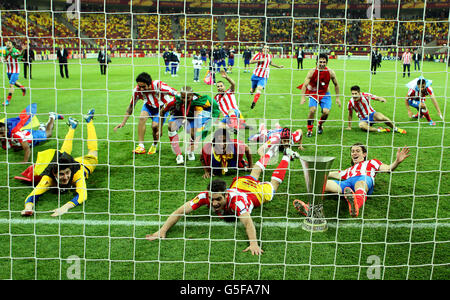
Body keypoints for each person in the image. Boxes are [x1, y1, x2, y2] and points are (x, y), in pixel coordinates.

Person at [146, 144, 300, 255]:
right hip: (240, 184)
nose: (214, 203)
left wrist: (253, 243)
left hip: (254, 194)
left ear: (226, 195)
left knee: (273, 186)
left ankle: (286, 155)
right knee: (255, 173)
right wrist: (162, 230)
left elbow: (248, 223)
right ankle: (272, 151)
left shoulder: (238, 204)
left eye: (218, 199)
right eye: (212, 199)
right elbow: (180, 211)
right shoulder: (205, 196)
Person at [294, 143, 410, 218]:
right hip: (346, 184)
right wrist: (317, 172)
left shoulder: (371, 162)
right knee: (324, 183)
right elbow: (333, 174)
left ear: (364, 154)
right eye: (352, 151)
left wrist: (397, 162)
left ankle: (355, 206)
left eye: (358, 151)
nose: (354, 153)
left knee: (360, 183)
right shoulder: (348, 170)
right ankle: (312, 209)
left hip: (364, 179)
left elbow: (388, 169)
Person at [20, 109, 97, 217]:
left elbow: (83, 195)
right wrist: (28, 208)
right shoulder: (48, 178)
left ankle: (88, 121)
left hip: (84, 164)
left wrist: (65, 207)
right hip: (65, 164)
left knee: (93, 153)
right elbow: (33, 194)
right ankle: (73, 126)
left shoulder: (77, 173)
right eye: (61, 174)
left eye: (67, 173)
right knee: (62, 154)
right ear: (54, 173)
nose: (65, 177)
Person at [114, 72, 178, 155]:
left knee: (155, 127)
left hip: (162, 108)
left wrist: (175, 106)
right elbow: (130, 106)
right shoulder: (137, 90)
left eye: (143, 87)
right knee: (141, 118)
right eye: (139, 86)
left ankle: (154, 145)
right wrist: (123, 122)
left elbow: (176, 93)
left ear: (150, 84)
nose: (141, 89)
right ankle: (141, 146)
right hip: (148, 106)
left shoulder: (159, 85)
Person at [168, 86, 220, 164]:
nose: (184, 100)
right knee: (171, 127)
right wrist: (160, 128)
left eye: (187, 98)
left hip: (192, 117)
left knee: (194, 134)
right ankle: (178, 155)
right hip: (179, 116)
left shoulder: (200, 101)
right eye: (183, 97)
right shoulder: (176, 99)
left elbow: (215, 107)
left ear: (192, 96)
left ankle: (191, 151)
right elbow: (163, 111)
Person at [299, 53, 341, 137]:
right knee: (312, 110)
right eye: (320, 62)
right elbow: (305, 85)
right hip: (314, 93)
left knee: (326, 112)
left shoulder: (330, 72)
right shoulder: (312, 72)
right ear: (316, 62)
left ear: (327, 63)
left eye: (324, 62)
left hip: (325, 94)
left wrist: (337, 98)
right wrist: (303, 97)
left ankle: (320, 124)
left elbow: (336, 84)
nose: (322, 64)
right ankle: (309, 130)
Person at [249, 44, 284, 109]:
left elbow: (271, 63)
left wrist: (278, 66)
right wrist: (260, 60)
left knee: (259, 89)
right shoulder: (258, 55)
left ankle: (254, 102)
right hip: (255, 75)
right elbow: (250, 61)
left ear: (268, 50)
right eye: (265, 48)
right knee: (252, 90)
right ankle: (251, 91)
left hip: (263, 76)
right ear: (262, 49)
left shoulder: (269, 56)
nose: (266, 49)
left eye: (267, 48)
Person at [2, 41, 26, 106]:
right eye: (6, 43)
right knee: (14, 83)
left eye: (9, 43)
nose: (7, 44)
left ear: (12, 45)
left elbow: (18, 55)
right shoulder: (5, 50)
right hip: (8, 71)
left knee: (11, 84)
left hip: (15, 71)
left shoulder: (15, 50)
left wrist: (22, 51)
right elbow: (4, 57)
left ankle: (8, 100)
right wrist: (4, 59)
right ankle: (23, 88)